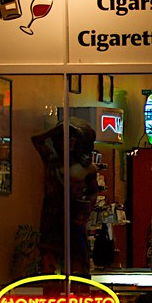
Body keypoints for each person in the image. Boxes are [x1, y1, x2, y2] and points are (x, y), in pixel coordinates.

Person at [32, 118, 99, 277]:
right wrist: (58, 128)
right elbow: (36, 140)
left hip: (74, 216)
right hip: (52, 215)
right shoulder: (51, 160)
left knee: (79, 263)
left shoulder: (86, 167)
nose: (70, 140)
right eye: (65, 137)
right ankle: (52, 297)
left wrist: (86, 209)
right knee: (49, 262)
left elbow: (93, 191)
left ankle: (81, 297)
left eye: (73, 137)